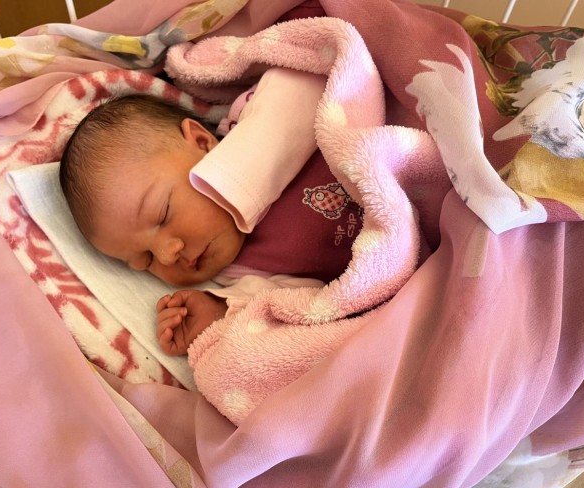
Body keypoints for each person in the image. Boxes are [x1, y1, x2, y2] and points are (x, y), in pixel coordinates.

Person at [60, 68, 362, 356]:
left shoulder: (254, 125)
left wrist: (234, 180)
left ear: (202, 143)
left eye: (163, 215)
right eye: (146, 260)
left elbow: (309, 82)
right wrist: (221, 309)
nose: (167, 255)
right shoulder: (235, 271)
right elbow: (302, 302)